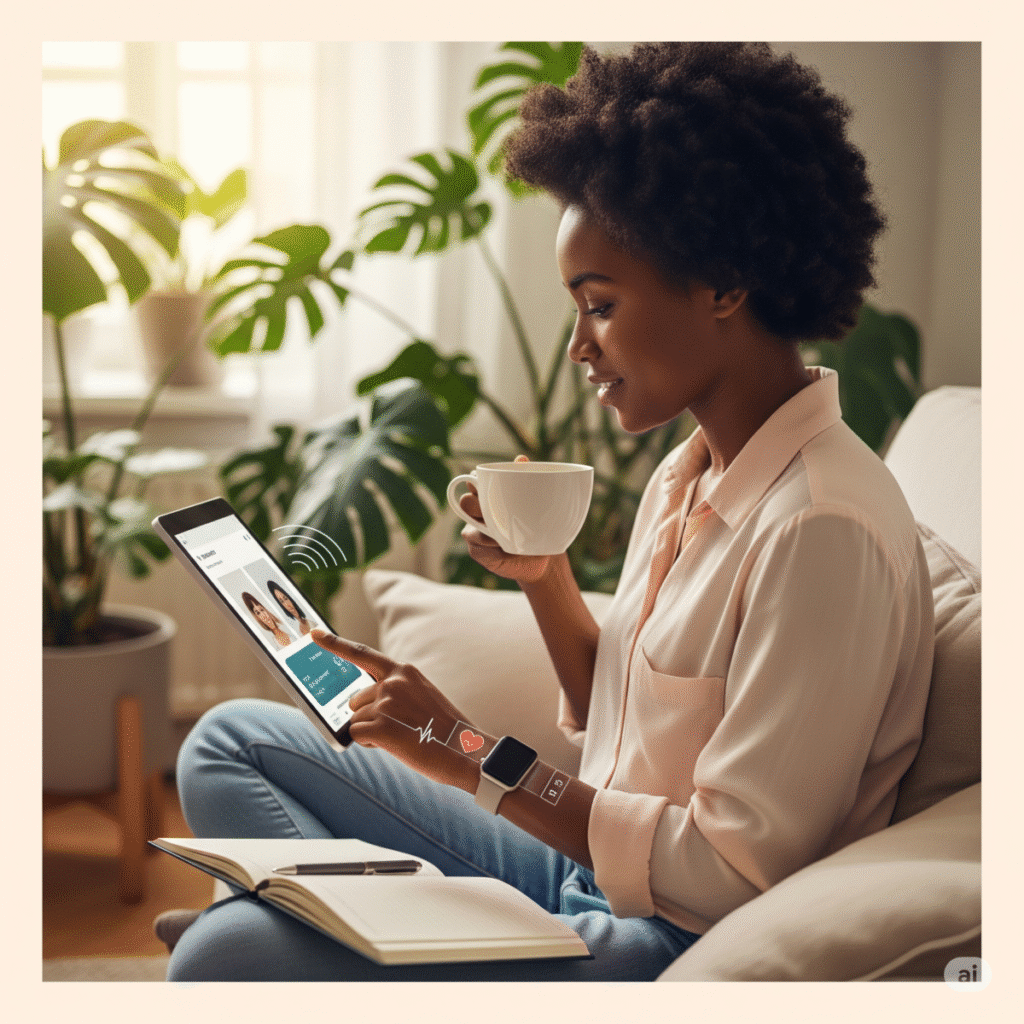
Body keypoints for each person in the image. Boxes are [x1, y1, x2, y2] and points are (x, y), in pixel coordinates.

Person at [160, 42, 935, 981]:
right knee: (229, 741)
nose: (579, 346)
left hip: (663, 935)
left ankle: (285, 934)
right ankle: (323, 934)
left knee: (222, 956)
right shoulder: (692, 471)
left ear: (726, 284)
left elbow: (731, 873)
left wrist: (464, 748)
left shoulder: (823, 529)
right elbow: (623, 719)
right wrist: (545, 579)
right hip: (579, 872)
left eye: (599, 305)